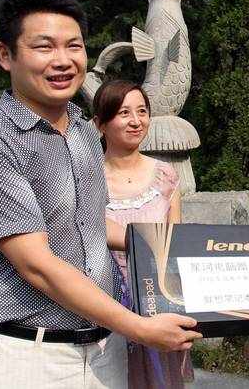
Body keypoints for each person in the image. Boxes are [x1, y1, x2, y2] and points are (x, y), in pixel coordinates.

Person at [0, 0, 201, 389]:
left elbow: (90, 223)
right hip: (29, 357)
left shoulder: (84, 132)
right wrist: (139, 327)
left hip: (104, 351)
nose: (63, 60)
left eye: (73, 46)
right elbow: (37, 264)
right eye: (44, 47)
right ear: (6, 55)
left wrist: (174, 247)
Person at [93, 80, 193, 389]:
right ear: (100, 124)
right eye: (124, 113)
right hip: (103, 307)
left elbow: (174, 245)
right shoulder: (86, 177)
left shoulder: (166, 175)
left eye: (142, 111)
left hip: (156, 307)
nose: (136, 121)